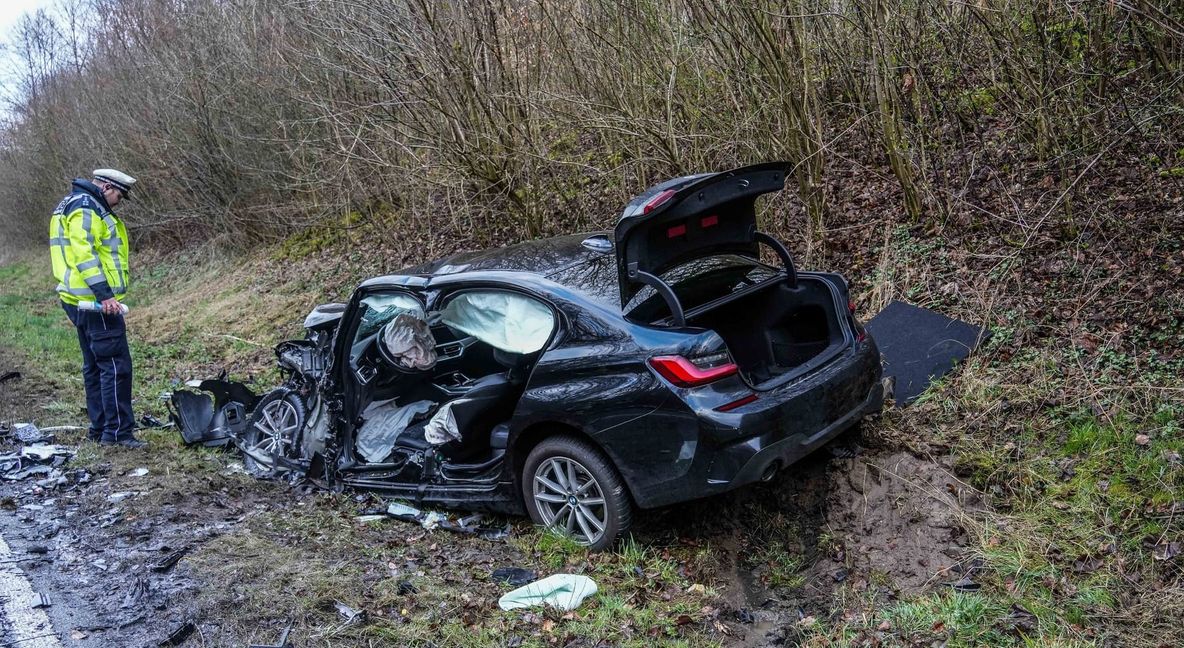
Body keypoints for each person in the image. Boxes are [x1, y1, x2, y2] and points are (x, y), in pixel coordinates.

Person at [49, 169, 146, 449]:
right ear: (105, 187)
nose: (119, 201)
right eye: (119, 194)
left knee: (94, 366)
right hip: (96, 302)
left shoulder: (68, 203)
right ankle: (117, 434)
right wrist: (105, 296)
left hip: (76, 298)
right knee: (116, 367)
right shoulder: (86, 206)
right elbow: (84, 252)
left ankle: (100, 428)